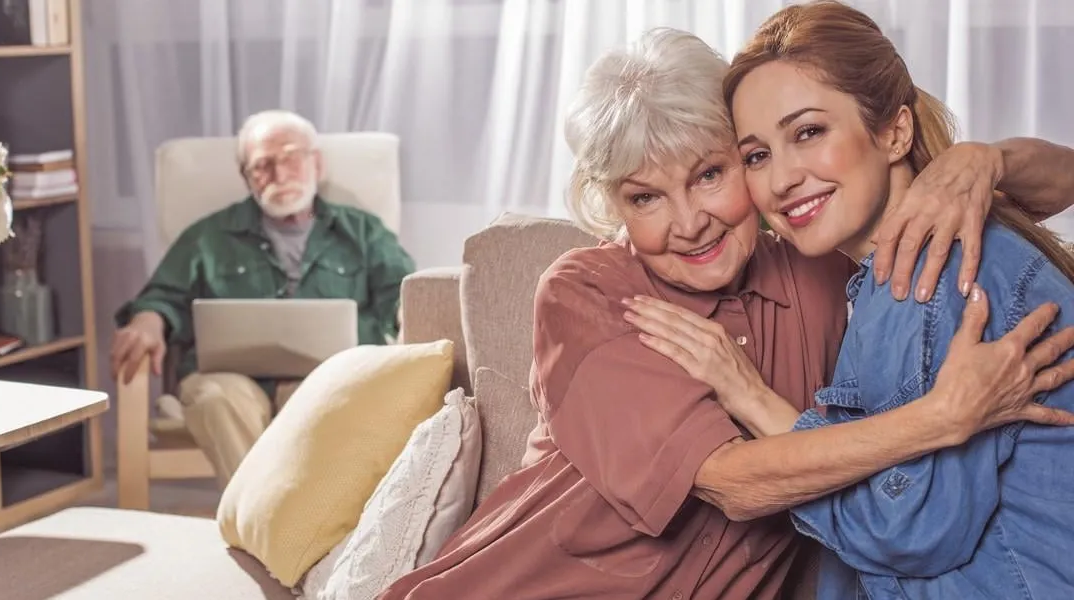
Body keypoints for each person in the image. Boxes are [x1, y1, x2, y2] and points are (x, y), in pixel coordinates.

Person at [378, 28, 1074, 599]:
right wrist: (945, 417)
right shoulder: (590, 291)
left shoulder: (828, 258)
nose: (689, 223)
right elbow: (734, 484)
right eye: (644, 198)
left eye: (710, 174)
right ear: (613, 206)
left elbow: (1057, 183)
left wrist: (982, 162)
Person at [628, 2, 1074, 597]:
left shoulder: (927, 275)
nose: (781, 179)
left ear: (894, 131)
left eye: (808, 132)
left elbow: (906, 530)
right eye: (757, 155)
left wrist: (751, 397)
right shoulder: (915, 262)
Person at [111, 110, 416, 487]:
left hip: (327, 376)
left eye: (291, 157)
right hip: (232, 381)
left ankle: (264, 530)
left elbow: (405, 292)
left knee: (330, 402)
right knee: (212, 399)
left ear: (316, 163)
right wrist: (148, 320)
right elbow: (163, 296)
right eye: (262, 165)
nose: (280, 174)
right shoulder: (208, 237)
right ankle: (275, 529)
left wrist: (407, 320)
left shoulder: (363, 232)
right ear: (246, 177)